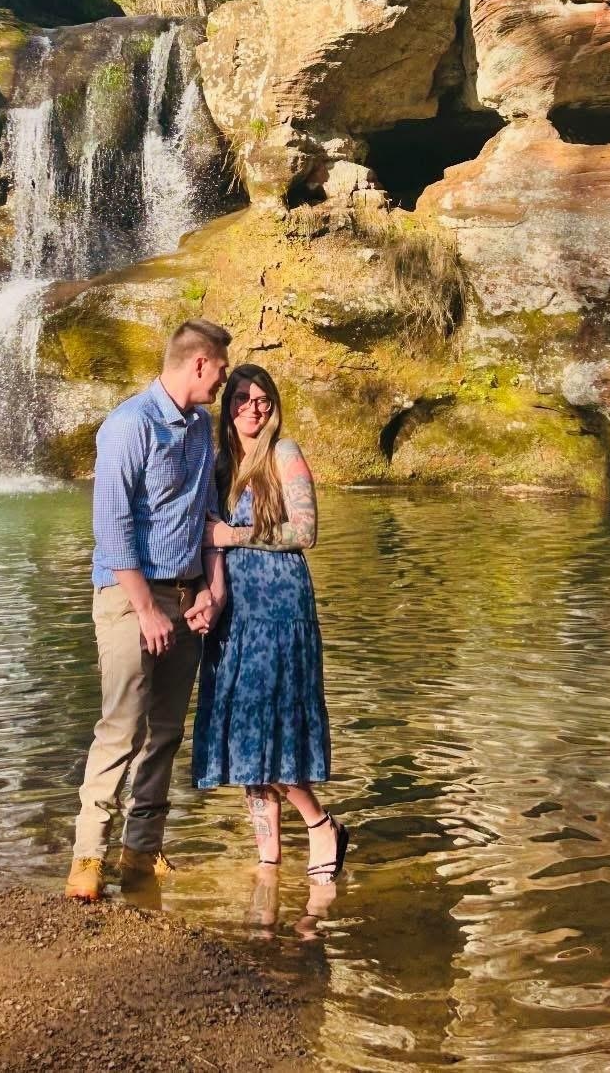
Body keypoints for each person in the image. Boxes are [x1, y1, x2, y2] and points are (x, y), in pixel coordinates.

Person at [65, 318, 232, 903]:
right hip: (128, 597)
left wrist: (212, 591)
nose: (222, 383)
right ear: (199, 365)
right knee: (122, 725)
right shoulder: (127, 426)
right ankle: (88, 855)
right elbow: (111, 530)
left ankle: (141, 851)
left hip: (185, 596)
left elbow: (210, 515)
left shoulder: (201, 427)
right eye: (221, 370)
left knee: (164, 731)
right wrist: (146, 609)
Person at [192, 363, 348, 882]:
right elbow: (205, 538)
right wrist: (209, 596)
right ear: (227, 405)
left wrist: (232, 537)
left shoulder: (285, 453)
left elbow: (305, 532)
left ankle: (320, 823)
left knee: (272, 728)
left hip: (281, 609)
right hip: (236, 611)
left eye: (262, 399)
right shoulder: (219, 464)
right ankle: (268, 859)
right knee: (243, 730)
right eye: (241, 398)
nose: (253, 408)